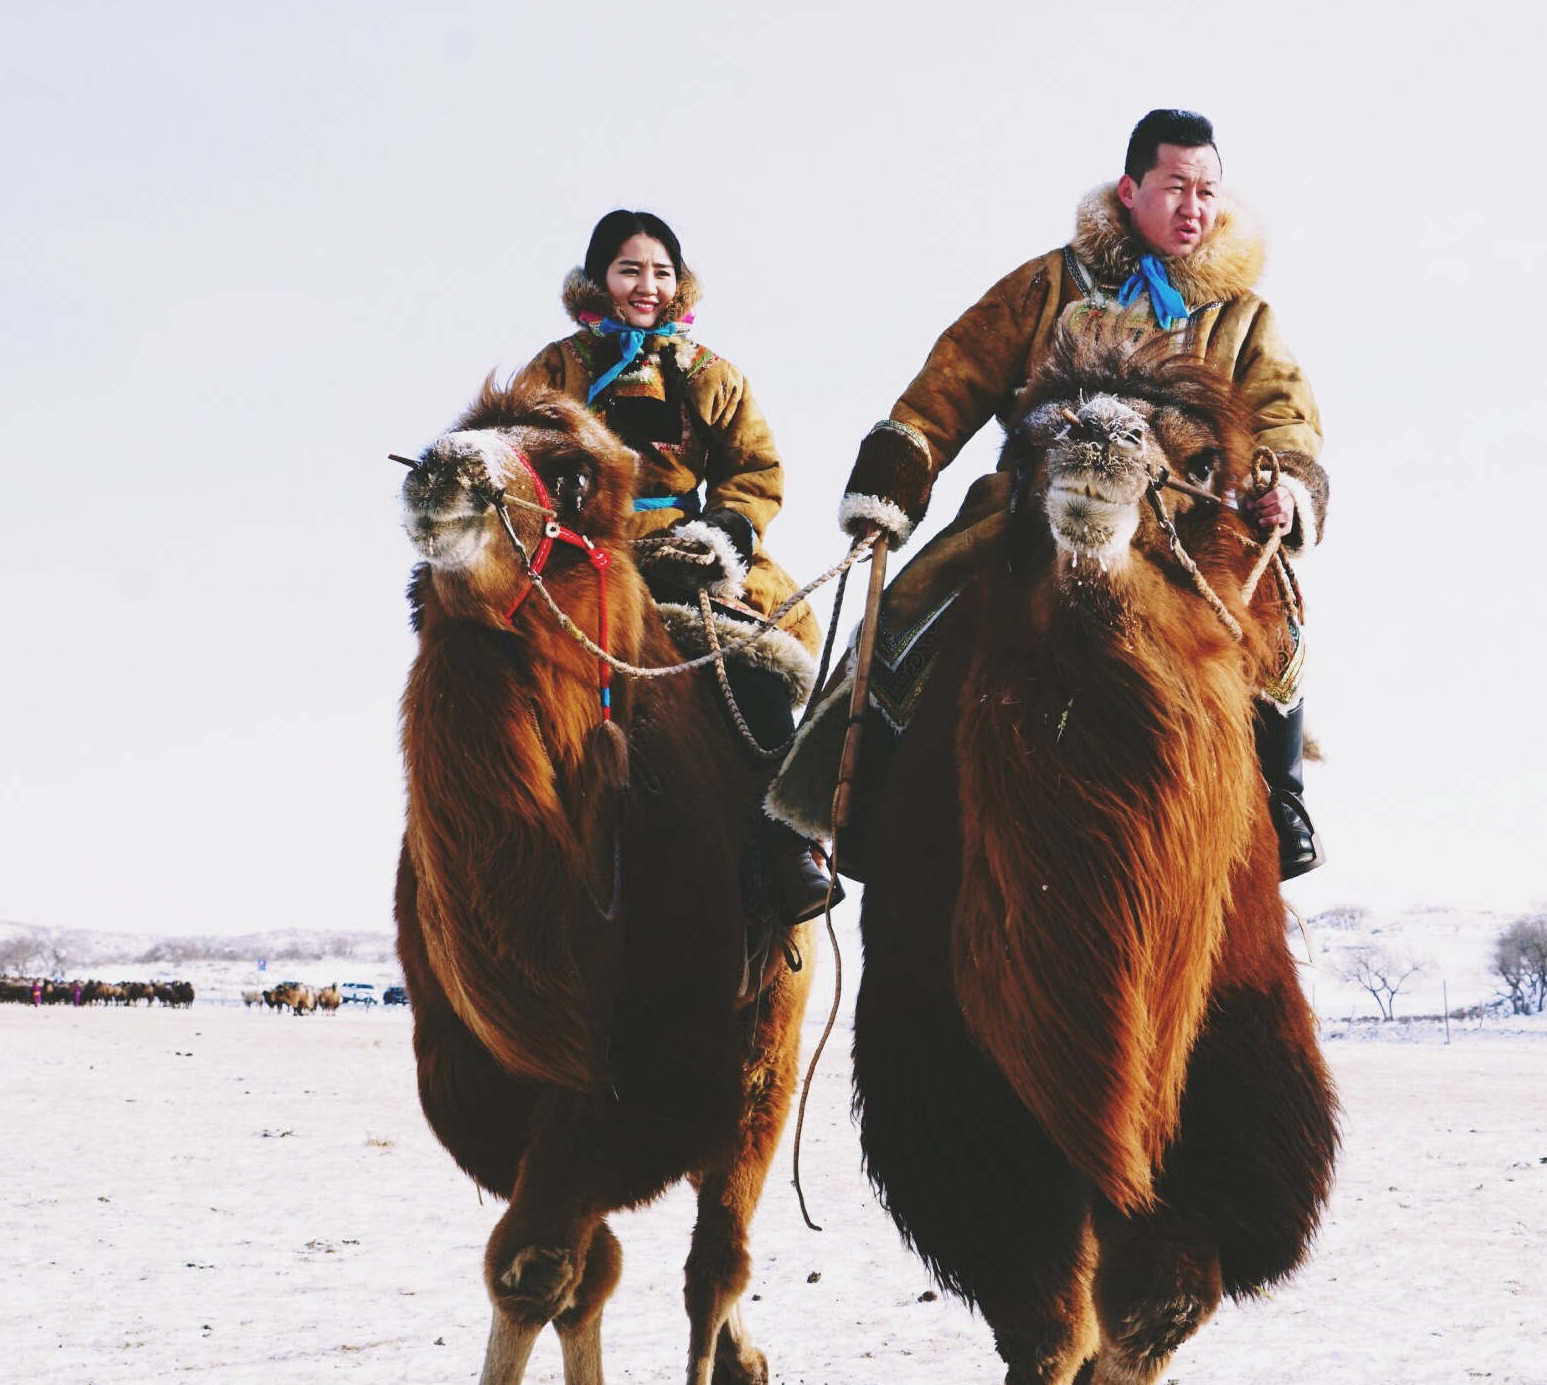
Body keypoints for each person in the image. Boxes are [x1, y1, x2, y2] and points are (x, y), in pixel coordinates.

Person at [835, 110, 1329, 876]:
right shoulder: (1048, 283)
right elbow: (952, 379)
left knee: (1280, 623)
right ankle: (855, 805)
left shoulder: (1242, 316)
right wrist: (894, 484)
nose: (1193, 207)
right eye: (1175, 187)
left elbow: (1284, 414)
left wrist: (1289, 488)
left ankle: (1281, 802)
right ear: (1131, 191)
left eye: (1207, 191)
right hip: (1034, 510)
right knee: (908, 610)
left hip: (1180, 526)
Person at [519, 209, 837, 922]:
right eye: (630, 269)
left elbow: (756, 470)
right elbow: (519, 455)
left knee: (755, 668)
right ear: (600, 277)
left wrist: (726, 526)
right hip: (580, 553)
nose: (647, 285)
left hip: (684, 549)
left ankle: (787, 849)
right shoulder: (556, 368)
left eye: (661, 272)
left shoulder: (710, 374)